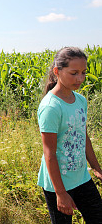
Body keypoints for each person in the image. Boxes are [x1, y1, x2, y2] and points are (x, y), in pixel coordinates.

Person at [37, 47, 102, 223]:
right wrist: (60, 193)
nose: (80, 78)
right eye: (74, 73)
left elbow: (83, 136)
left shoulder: (80, 100)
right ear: (57, 72)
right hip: (58, 183)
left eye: (83, 72)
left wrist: (96, 167)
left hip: (81, 176)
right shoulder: (51, 106)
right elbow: (49, 153)